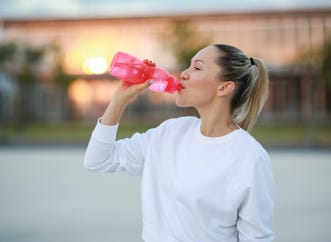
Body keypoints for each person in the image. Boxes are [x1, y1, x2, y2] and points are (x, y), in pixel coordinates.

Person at [84, 44, 275, 242]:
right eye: (188, 66)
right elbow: (98, 160)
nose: (184, 74)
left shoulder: (249, 156)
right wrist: (119, 100)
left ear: (224, 87)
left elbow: (256, 237)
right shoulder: (170, 133)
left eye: (197, 68)